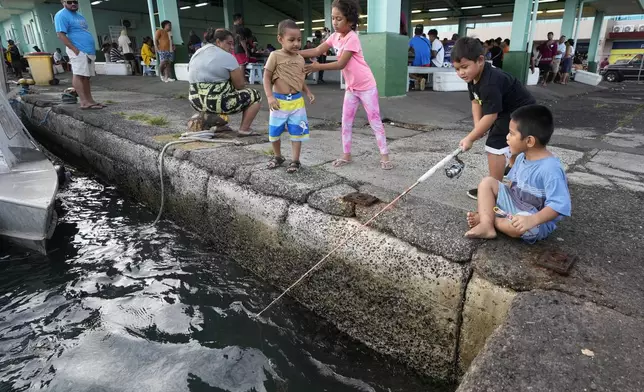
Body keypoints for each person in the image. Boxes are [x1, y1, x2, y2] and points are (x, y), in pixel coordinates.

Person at [301, 0, 392, 170]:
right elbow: (316, 51)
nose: (334, 22)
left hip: (366, 86)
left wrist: (317, 66)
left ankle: (385, 156)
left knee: (375, 121)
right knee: (346, 121)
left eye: (339, 19)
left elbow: (341, 64)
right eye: (333, 18)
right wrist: (291, 52)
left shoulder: (352, 38)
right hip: (351, 88)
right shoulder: (335, 37)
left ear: (350, 21)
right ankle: (346, 155)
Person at [465, 105, 571, 242]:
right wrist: (502, 199)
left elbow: (559, 204)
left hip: (534, 218)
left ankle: (491, 220)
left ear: (529, 141)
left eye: (512, 133)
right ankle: (486, 225)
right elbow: (511, 186)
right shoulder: (521, 157)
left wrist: (532, 219)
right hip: (515, 206)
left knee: (521, 228)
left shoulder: (551, 169)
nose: (507, 137)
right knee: (487, 182)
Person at [451, 37, 536, 200]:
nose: (461, 73)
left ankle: (495, 189)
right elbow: (475, 101)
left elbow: (491, 115)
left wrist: (471, 138)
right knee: (509, 143)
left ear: (480, 60)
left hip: (522, 111)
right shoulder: (473, 77)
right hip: (506, 109)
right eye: (457, 69)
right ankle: (514, 172)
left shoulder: (490, 82)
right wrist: (477, 127)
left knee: (495, 144)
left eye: (464, 67)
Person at [188, 28, 262, 136]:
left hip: (195, 101)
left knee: (220, 90)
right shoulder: (227, 57)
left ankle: (218, 125)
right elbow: (240, 85)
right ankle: (244, 129)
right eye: (229, 43)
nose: (232, 48)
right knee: (255, 95)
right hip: (215, 102)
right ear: (218, 42)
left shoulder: (197, 52)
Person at [263, 19, 315, 174]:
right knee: (274, 133)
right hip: (278, 102)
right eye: (291, 40)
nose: (296, 44)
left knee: (297, 132)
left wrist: (308, 92)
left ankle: (295, 160)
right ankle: (278, 156)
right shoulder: (275, 56)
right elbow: (266, 77)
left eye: (299, 40)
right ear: (280, 39)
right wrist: (270, 97)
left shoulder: (300, 58)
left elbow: (299, 79)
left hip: (297, 102)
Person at [55, 0, 103, 110]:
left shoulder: (79, 15)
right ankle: (84, 101)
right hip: (78, 49)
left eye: (75, 2)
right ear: (63, 2)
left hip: (88, 51)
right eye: (69, 2)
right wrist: (74, 49)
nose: (73, 4)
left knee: (86, 76)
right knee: (79, 74)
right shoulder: (61, 15)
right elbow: (60, 34)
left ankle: (90, 100)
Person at [408, 24, 432, 90]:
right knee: (419, 69)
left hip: (417, 64)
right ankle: (419, 82)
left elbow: (406, 50)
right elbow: (430, 51)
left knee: (407, 72)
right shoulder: (427, 40)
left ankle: (419, 79)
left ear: (414, 32)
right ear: (422, 32)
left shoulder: (411, 40)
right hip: (427, 63)